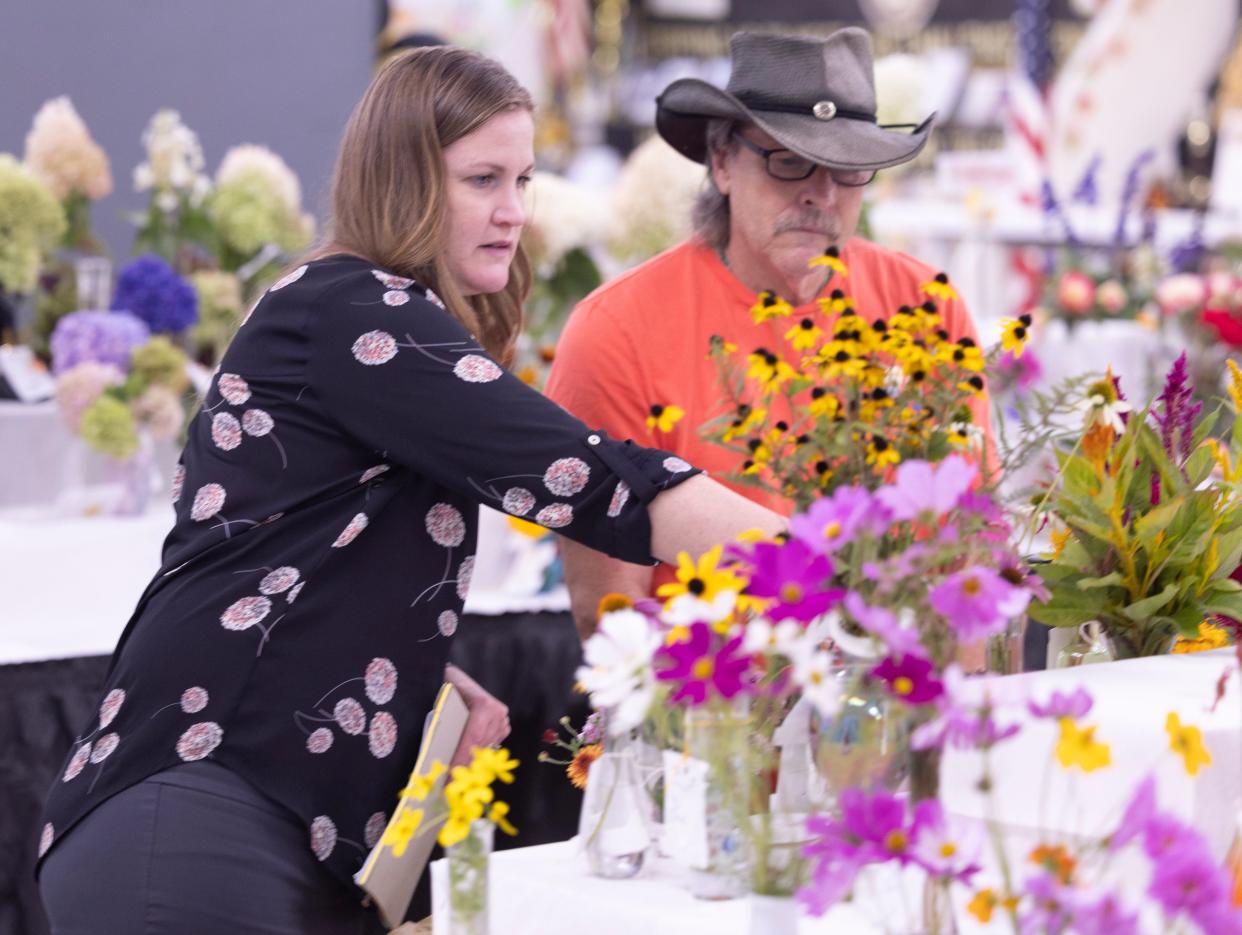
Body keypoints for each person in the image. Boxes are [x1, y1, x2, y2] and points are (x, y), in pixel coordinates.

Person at [37, 46, 782, 935]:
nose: (514, 213)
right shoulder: (354, 311)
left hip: (251, 829)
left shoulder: (356, 317)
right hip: (202, 822)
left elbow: (288, 551)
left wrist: (413, 677)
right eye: (482, 180)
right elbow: (592, 480)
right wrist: (836, 560)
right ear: (402, 182)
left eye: (523, 179)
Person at [545, 28, 994, 638]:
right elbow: (611, 615)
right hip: (713, 704)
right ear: (723, 161)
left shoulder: (924, 306)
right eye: (789, 159)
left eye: (849, 166)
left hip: (898, 687)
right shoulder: (616, 332)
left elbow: (973, 542)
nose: (822, 193)